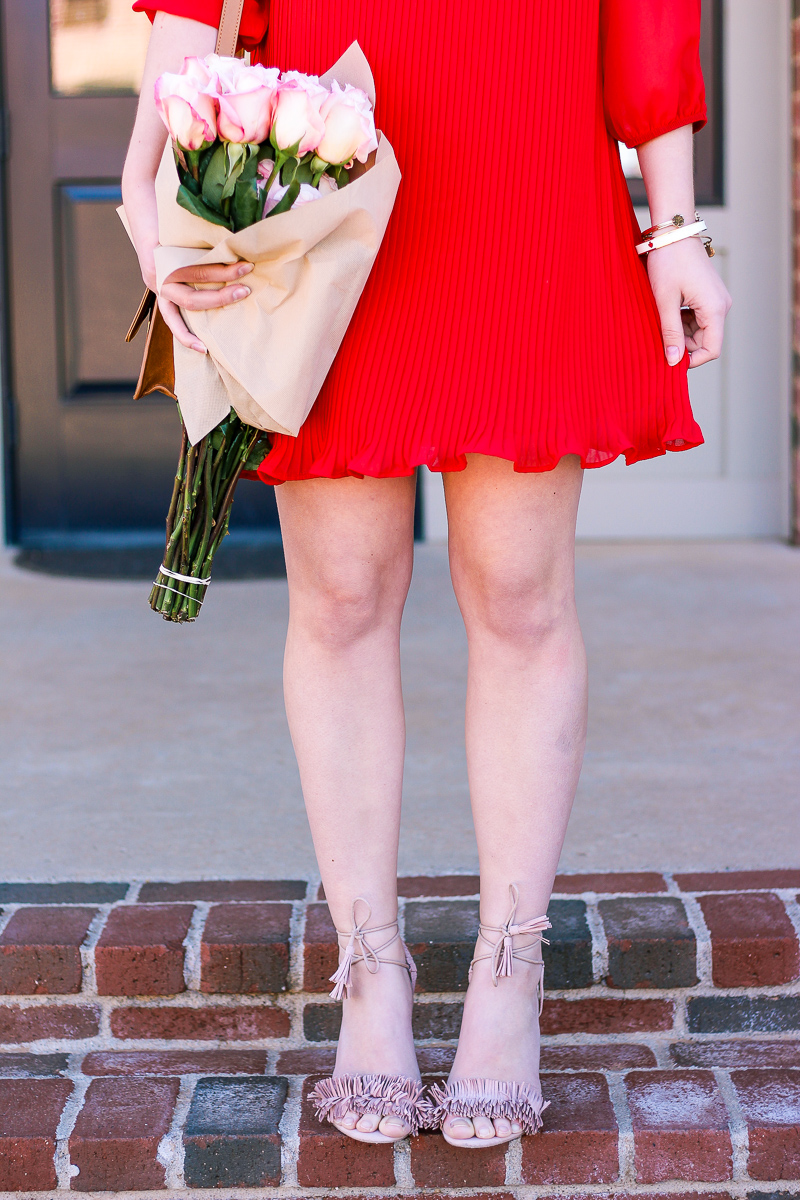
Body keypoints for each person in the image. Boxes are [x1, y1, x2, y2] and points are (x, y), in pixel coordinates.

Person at [123, 0, 731, 1149]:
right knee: (343, 594)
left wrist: (674, 225)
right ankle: (371, 975)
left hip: (528, 159)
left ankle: (509, 977)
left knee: (515, 591)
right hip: (324, 161)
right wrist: (152, 173)